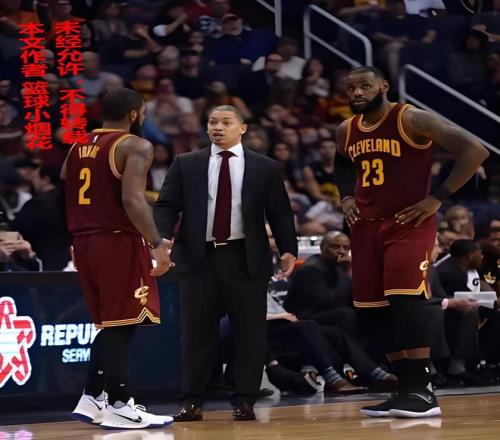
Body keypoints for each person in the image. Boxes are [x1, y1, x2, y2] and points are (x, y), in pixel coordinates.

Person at [336, 66, 489, 418]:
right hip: (366, 227)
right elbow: (341, 164)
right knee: (376, 310)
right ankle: (404, 389)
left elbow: (475, 150)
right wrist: (346, 197)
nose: (357, 92)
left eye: (365, 86)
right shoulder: (346, 129)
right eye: (351, 88)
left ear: (384, 87)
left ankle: (423, 390)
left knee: (405, 302)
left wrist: (436, 199)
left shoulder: (411, 119)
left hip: (408, 222)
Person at [154, 104, 297, 422]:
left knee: (250, 334)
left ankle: (244, 400)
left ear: (242, 128)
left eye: (226, 122)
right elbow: (165, 205)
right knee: (197, 334)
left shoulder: (265, 167)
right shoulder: (186, 163)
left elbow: (280, 212)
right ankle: (192, 401)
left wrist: (288, 249)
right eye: (212, 122)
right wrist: (162, 238)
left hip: (245, 257)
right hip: (198, 257)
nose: (218, 127)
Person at [60, 88, 174, 430]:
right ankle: (114, 401)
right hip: (116, 240)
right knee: (123, 322)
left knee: (114, 323)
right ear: (134, 114)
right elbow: (133, 201)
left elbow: (67, 179)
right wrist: (157, 243)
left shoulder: (78, 145)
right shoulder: (134, 145)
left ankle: (100, 398)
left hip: (84, 240)